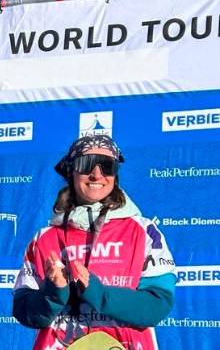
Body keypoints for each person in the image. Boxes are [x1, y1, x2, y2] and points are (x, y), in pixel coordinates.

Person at [13, 135, 176, 349]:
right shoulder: (44, 238)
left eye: (107, 166)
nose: (96, 174)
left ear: (115, 175)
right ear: (71, 171)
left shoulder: (143, 231)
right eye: (86, 164)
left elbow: (158, 305)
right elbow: (24, 312)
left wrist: (100, 295)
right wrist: (54, 293)